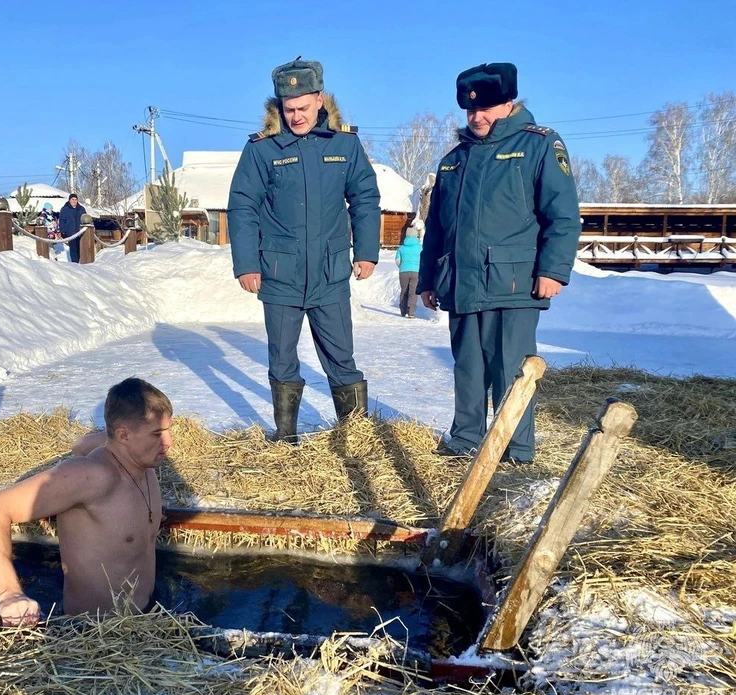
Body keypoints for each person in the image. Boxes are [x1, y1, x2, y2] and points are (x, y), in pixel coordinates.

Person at [417, 62, 579, 464]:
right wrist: (427, 279)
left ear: (509, 102)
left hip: (514, 283)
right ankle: (465, 440)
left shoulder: (539, 145)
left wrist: (553, 270)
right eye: (470, 110)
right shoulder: (454, 160)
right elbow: (436, 228)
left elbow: (563, 214)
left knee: (511, 370)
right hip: (462, 282)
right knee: (468, 368)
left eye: (486, 108)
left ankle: (515, 451)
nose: (477, 117)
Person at [228, 58, 381, 442]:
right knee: (282, 359)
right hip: (280, 274)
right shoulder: (262, 150)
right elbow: (242, 206)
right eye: (288, 109)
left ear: (319, 99)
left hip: (330, 274)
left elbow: (364, 198)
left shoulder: (345, 144)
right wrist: (246, 264)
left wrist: (366, 251)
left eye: (303, 107)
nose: (295, 116)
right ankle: (286, 438)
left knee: (341, 358)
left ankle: (356, 438)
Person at [0, 378, 173, 626]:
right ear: (123, 435)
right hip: (94, 635)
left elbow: (81, 444)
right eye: (157, 434)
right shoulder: (92, 477)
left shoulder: (144, 464)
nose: (169, 442)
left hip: (147, 618)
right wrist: (10, 594)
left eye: (167, 430)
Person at [395, 219, 423, 318]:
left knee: (404, 291)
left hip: (403, 272)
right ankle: (411, 312)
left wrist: (402, 266)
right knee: (413, 292)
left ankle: (403, 311)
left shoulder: (401, 248)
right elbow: (423, 259)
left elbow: (398, 260)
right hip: (416, 271)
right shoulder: (420, 247)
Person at [58, 193, 87, 262]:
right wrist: (63, 231)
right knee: (73, 250)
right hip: (71, 233)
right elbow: (62, 221)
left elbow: (86, 219)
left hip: (80, 233)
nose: (74, 201)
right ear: (69, 200)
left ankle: (81, 264)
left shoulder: (81, 209)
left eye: (75, 199)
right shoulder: (65, 209)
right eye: (72, 199)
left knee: (81, 250)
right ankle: (75, 265)